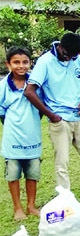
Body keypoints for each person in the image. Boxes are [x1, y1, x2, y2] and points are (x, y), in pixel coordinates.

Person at [25, 33, 80, 190]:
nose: (69, 59)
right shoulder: (45, 62)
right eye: (66, 54)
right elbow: (29, 91)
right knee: (62, 164)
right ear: (60, 46)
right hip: (60, 120)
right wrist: (51, 115)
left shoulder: (76, 59)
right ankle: (65, 200)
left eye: (73, 56)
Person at [0, 47, 41, 220]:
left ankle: (31, 205)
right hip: (12, 137)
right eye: (16, 62)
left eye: (25, 62)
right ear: (8, 64)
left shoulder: (35, 83)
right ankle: (18, 208)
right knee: (13, 174)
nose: (21, 66)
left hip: (33, 136)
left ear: (30, 63)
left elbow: (41, 106)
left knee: (33, 173)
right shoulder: (3, 85)